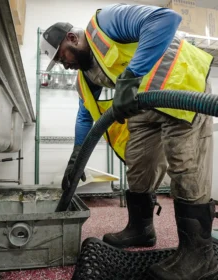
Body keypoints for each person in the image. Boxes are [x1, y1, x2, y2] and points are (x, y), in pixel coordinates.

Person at [40, 3, 217, 279]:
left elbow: (166, 18)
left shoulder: (106, 22)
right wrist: (77, 154)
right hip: (145, 108)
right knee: (138, 165)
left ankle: (199, 254)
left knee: (184, 165)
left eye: (62, 57)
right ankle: (141, 229)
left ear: (72, 39)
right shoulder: (85, 76)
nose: (64, 64)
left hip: (183, 88)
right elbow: (85, 115)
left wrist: (131, 76)